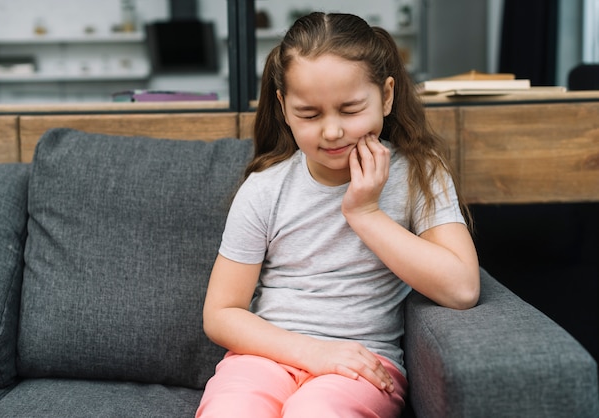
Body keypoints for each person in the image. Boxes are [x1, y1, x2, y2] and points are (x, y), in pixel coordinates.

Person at [196, 11, 480, 418]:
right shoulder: (265, 189)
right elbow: (221, 313)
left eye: (350, 110)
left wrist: (365, 213)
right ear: (282, 105)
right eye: (309, 114)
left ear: (386, 95)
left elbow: (462, 289)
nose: (331, 132)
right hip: (265, 357)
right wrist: (312, 352)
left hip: (361, 365)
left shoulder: (419, 173)